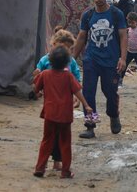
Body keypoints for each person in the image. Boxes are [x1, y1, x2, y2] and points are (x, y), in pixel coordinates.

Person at [73, 0, 127, 139]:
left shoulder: (117, 14)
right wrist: (72, 59)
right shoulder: (88, 15)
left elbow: (124, 36)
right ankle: (90, 125)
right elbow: (82, 37)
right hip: (91, 59)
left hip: (111, 61)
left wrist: (123, 59)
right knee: (88, 93)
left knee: (109, 91)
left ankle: (113, 114)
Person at [33, 45, 93, 179]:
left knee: (46, 141)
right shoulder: (68, 76)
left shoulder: (45, 74)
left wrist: (38, 91)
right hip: (65, 116)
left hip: (49, 114)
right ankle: (65, 171)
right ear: (67, 62)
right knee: (65, 143)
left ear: (50, 61)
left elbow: (35, 89)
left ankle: (40, 168)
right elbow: (78, 92)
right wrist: (86, 105)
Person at [32, 29, 81, 171]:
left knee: (60, 135)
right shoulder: (45, 60)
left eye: (68, 48)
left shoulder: (71, 62)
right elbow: (38, 77)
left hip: (65, 105)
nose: (64, 51)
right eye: (62, 47)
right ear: (53, 44)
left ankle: (56, 161)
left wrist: (77, 99)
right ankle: (45, 161)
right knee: (50, 135)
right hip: (51, 104)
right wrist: (37, 87)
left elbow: (76, 80)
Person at [119, 12, 137, 88]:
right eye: (129, 22)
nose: (131, 24)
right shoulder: (127, 30)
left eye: (132, 22)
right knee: (124, 66)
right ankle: (120, 80)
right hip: (129, 51)